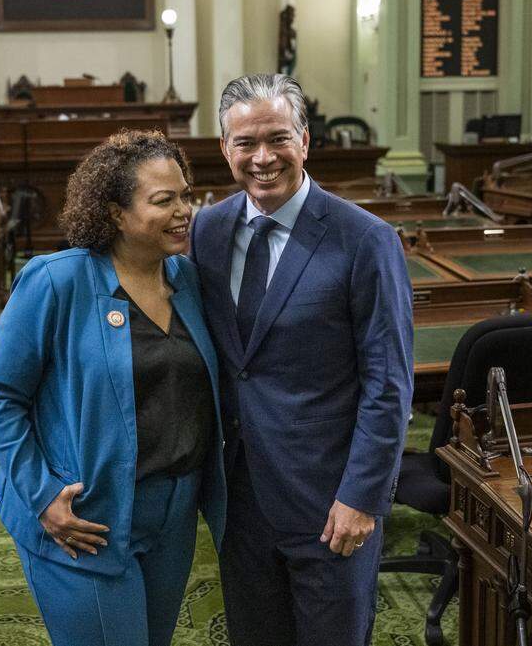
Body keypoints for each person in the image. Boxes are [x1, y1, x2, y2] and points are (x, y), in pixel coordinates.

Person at [0, 130, 226, 646]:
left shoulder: (189, 280)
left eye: (185, 194)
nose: (185, 211)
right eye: (164, 200)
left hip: (173, 514)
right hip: (82, 517)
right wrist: (43, 497)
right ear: (115, 214)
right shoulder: (55, 280)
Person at [190, 74, 413, 646]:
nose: (262, 158)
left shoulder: (366, 239)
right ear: (225, 149)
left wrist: (363, 497)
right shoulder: (206, 232)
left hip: (330, 502)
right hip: (240, 498)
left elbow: (388, 383)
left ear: (305, 141)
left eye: (278, 139)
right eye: (245, 143)